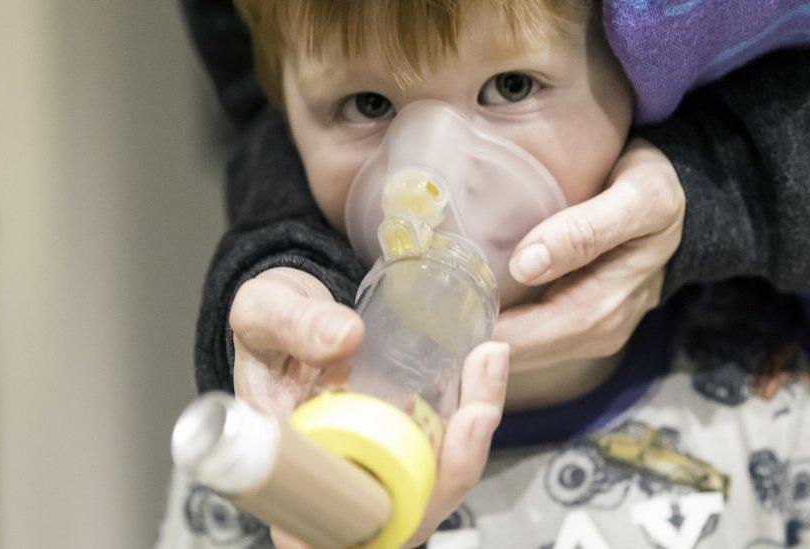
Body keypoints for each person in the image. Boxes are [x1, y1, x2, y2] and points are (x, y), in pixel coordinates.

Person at [160, 1, 810, 547]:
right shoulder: (276, 438)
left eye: (511, 87)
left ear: (643, 89)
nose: (431, 183)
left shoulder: (769, 390)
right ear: (290, 120)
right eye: (367, 102)